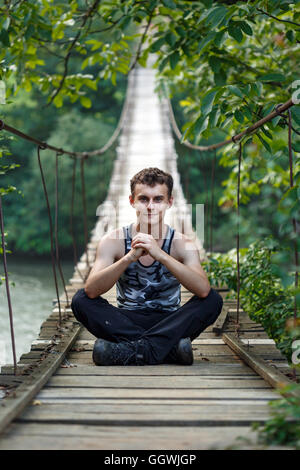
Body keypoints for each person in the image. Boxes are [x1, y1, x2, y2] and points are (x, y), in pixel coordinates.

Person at [71, 167, 223, 366]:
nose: (151, 206)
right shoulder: (113, 240)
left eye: (158, 199)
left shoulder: (182, 243)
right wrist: (128, 258)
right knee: (80, 300)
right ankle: (168, 350)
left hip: (170, 321)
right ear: (132, 201)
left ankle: (131, 350)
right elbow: (91, 290)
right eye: (144, 199)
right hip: (126, 321)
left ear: (170, 203)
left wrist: (161, 255)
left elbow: (203, 290)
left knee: (213, 300)